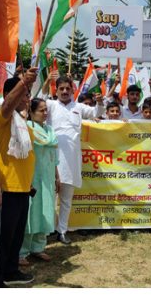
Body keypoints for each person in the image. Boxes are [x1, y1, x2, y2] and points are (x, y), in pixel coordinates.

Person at [0, 72, 38, 287]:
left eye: (27, 95)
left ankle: (11, 271)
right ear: (8, 94)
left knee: (16, 237)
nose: (26, 98)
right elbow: (7, 105)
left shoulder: (22, 122)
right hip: (4, 189)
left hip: (23, 189)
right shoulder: (1, 115)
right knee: (0, 240)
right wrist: (24, 81)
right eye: (21, 94)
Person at [46, 71, 105, 244]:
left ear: (73, 90)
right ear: (56, 90)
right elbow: (38, 98)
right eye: (61, 88)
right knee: (49, 198)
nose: (64, 91)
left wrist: (100, 101)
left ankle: (62, 230)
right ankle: (47, 230)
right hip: (51, 160)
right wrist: (46, 82)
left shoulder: (78, 108)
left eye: (67, 89)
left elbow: (97, 111)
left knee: (66, 200)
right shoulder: (50, 105)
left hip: (71, 161)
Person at [21, 98, 59, 263]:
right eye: (41, 110)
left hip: (48, 177)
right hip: (32, 178)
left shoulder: (50, 130)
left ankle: (38, 248)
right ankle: (22, 252)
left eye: (46, 110)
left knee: (46, 210)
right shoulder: (27, 129)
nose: (45, 113)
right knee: (31, 213)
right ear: (31, 112)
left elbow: (54, 157)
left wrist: (57, 176)